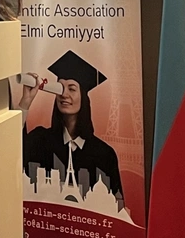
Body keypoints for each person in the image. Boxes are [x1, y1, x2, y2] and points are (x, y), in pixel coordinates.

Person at [19, 50, 123, 201]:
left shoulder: (104, 154)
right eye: (60, 88)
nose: (64, 94)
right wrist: (26, 102)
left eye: (72, 89)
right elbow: (14, 155)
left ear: (83, 98)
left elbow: (116, 203)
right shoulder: (40, 140)